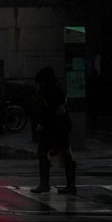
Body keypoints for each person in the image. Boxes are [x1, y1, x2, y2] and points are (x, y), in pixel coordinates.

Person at [30, 66, 76, 195]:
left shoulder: (50, 92)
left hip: (55, 126)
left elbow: (51, 110)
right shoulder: (56, 89)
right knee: (63, 152)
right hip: (59, 125)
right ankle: (69, 185)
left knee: (45, 152)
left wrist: (42, 123)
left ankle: (46, 184)